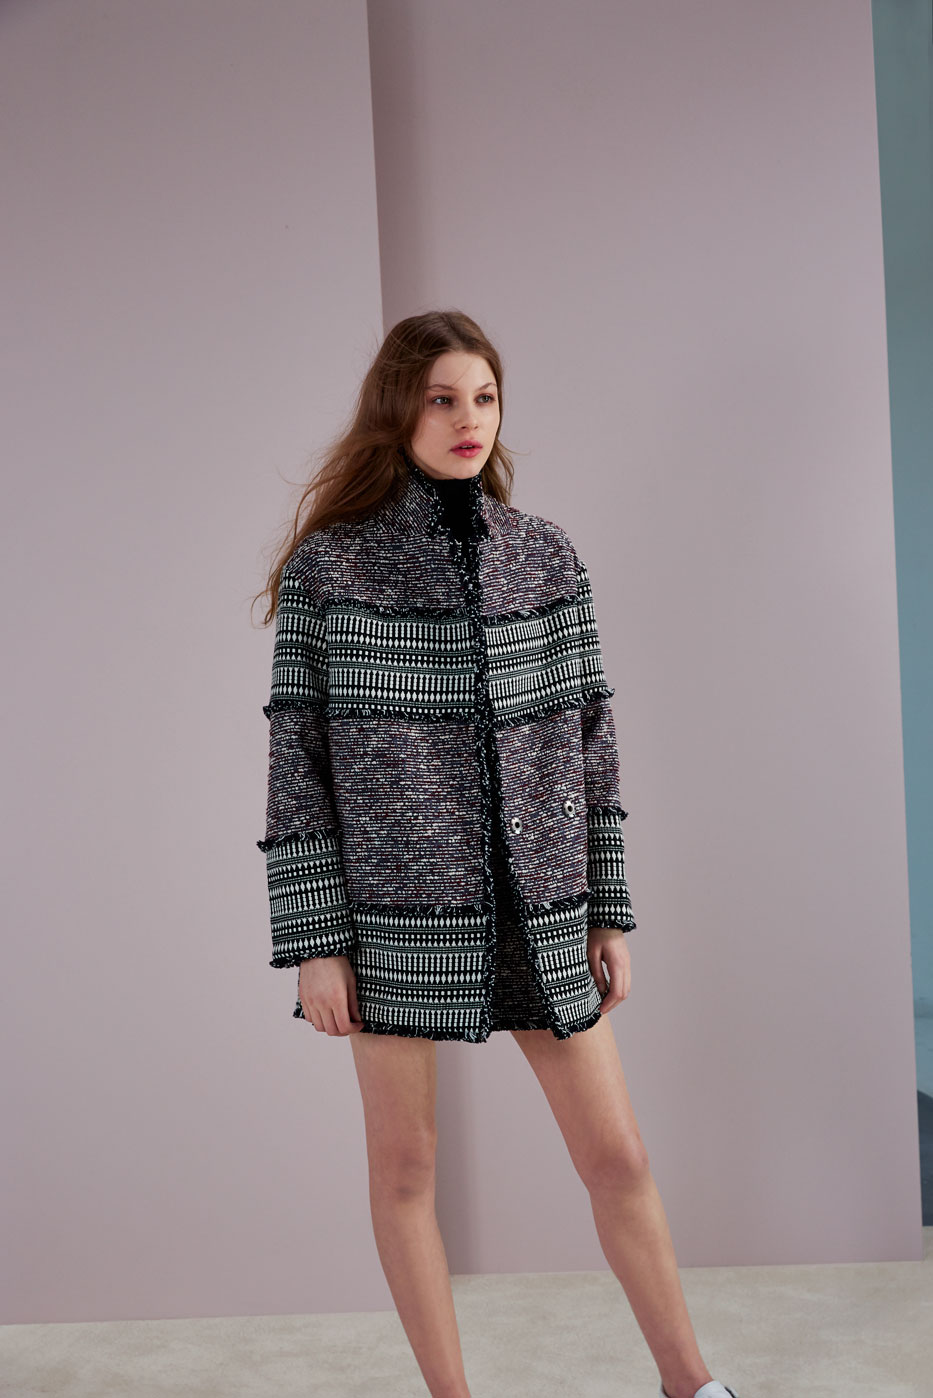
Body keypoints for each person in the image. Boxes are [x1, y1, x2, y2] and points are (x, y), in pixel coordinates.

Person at [254, 309, 740, 1398]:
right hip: (391, 917)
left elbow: (591, 744)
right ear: (398, 409)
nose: (468, 419)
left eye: (483, 397)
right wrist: (316, 944)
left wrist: (606, 910)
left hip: (542, 902)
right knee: (407, 1168)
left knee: (618, 1158)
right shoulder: (332, 570)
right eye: (442, 399)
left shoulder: (545, 555)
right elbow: (299, 764)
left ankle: (691, 1385)